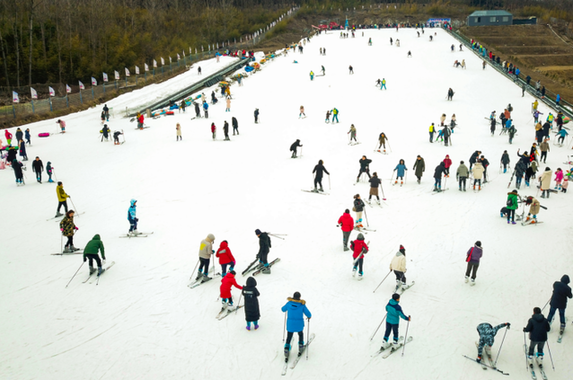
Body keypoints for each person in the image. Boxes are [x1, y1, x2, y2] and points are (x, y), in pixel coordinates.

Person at [282, 292, 312, 358]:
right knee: (300, 334)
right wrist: (309, 317)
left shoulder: (289, 303)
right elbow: (308, 314)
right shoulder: (302, 305)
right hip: (299, 324)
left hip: (290, 325)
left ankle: (286, 349)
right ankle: (301, 347)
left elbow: (283, 309)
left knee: (289, 336)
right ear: (299, 297)